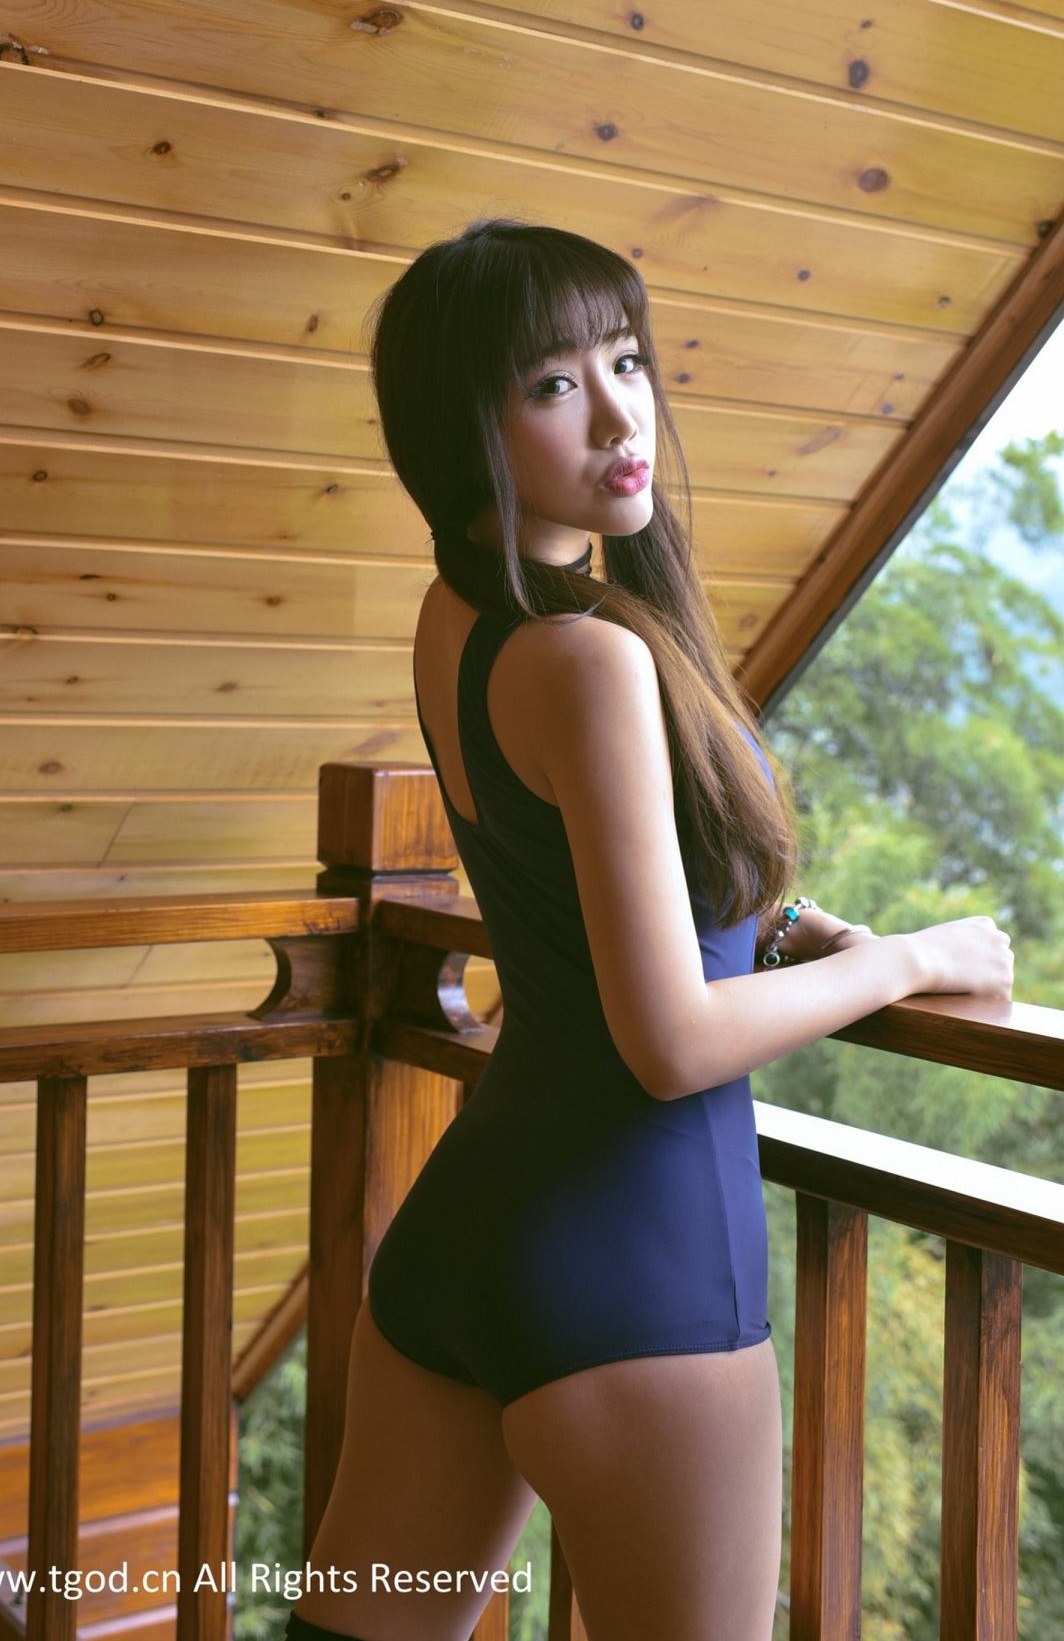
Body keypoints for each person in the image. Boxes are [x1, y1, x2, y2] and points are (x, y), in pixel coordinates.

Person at [280, 219, 1013, 1641]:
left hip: (466, 1240)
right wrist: (909, 961)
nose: (622, 418)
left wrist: (775, 920)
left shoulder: (459, 613)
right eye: (553, 385)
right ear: (462, 428)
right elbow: (669, 1040)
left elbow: (576, 868)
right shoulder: (593, 658)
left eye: (625, 361)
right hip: (639, 1262)